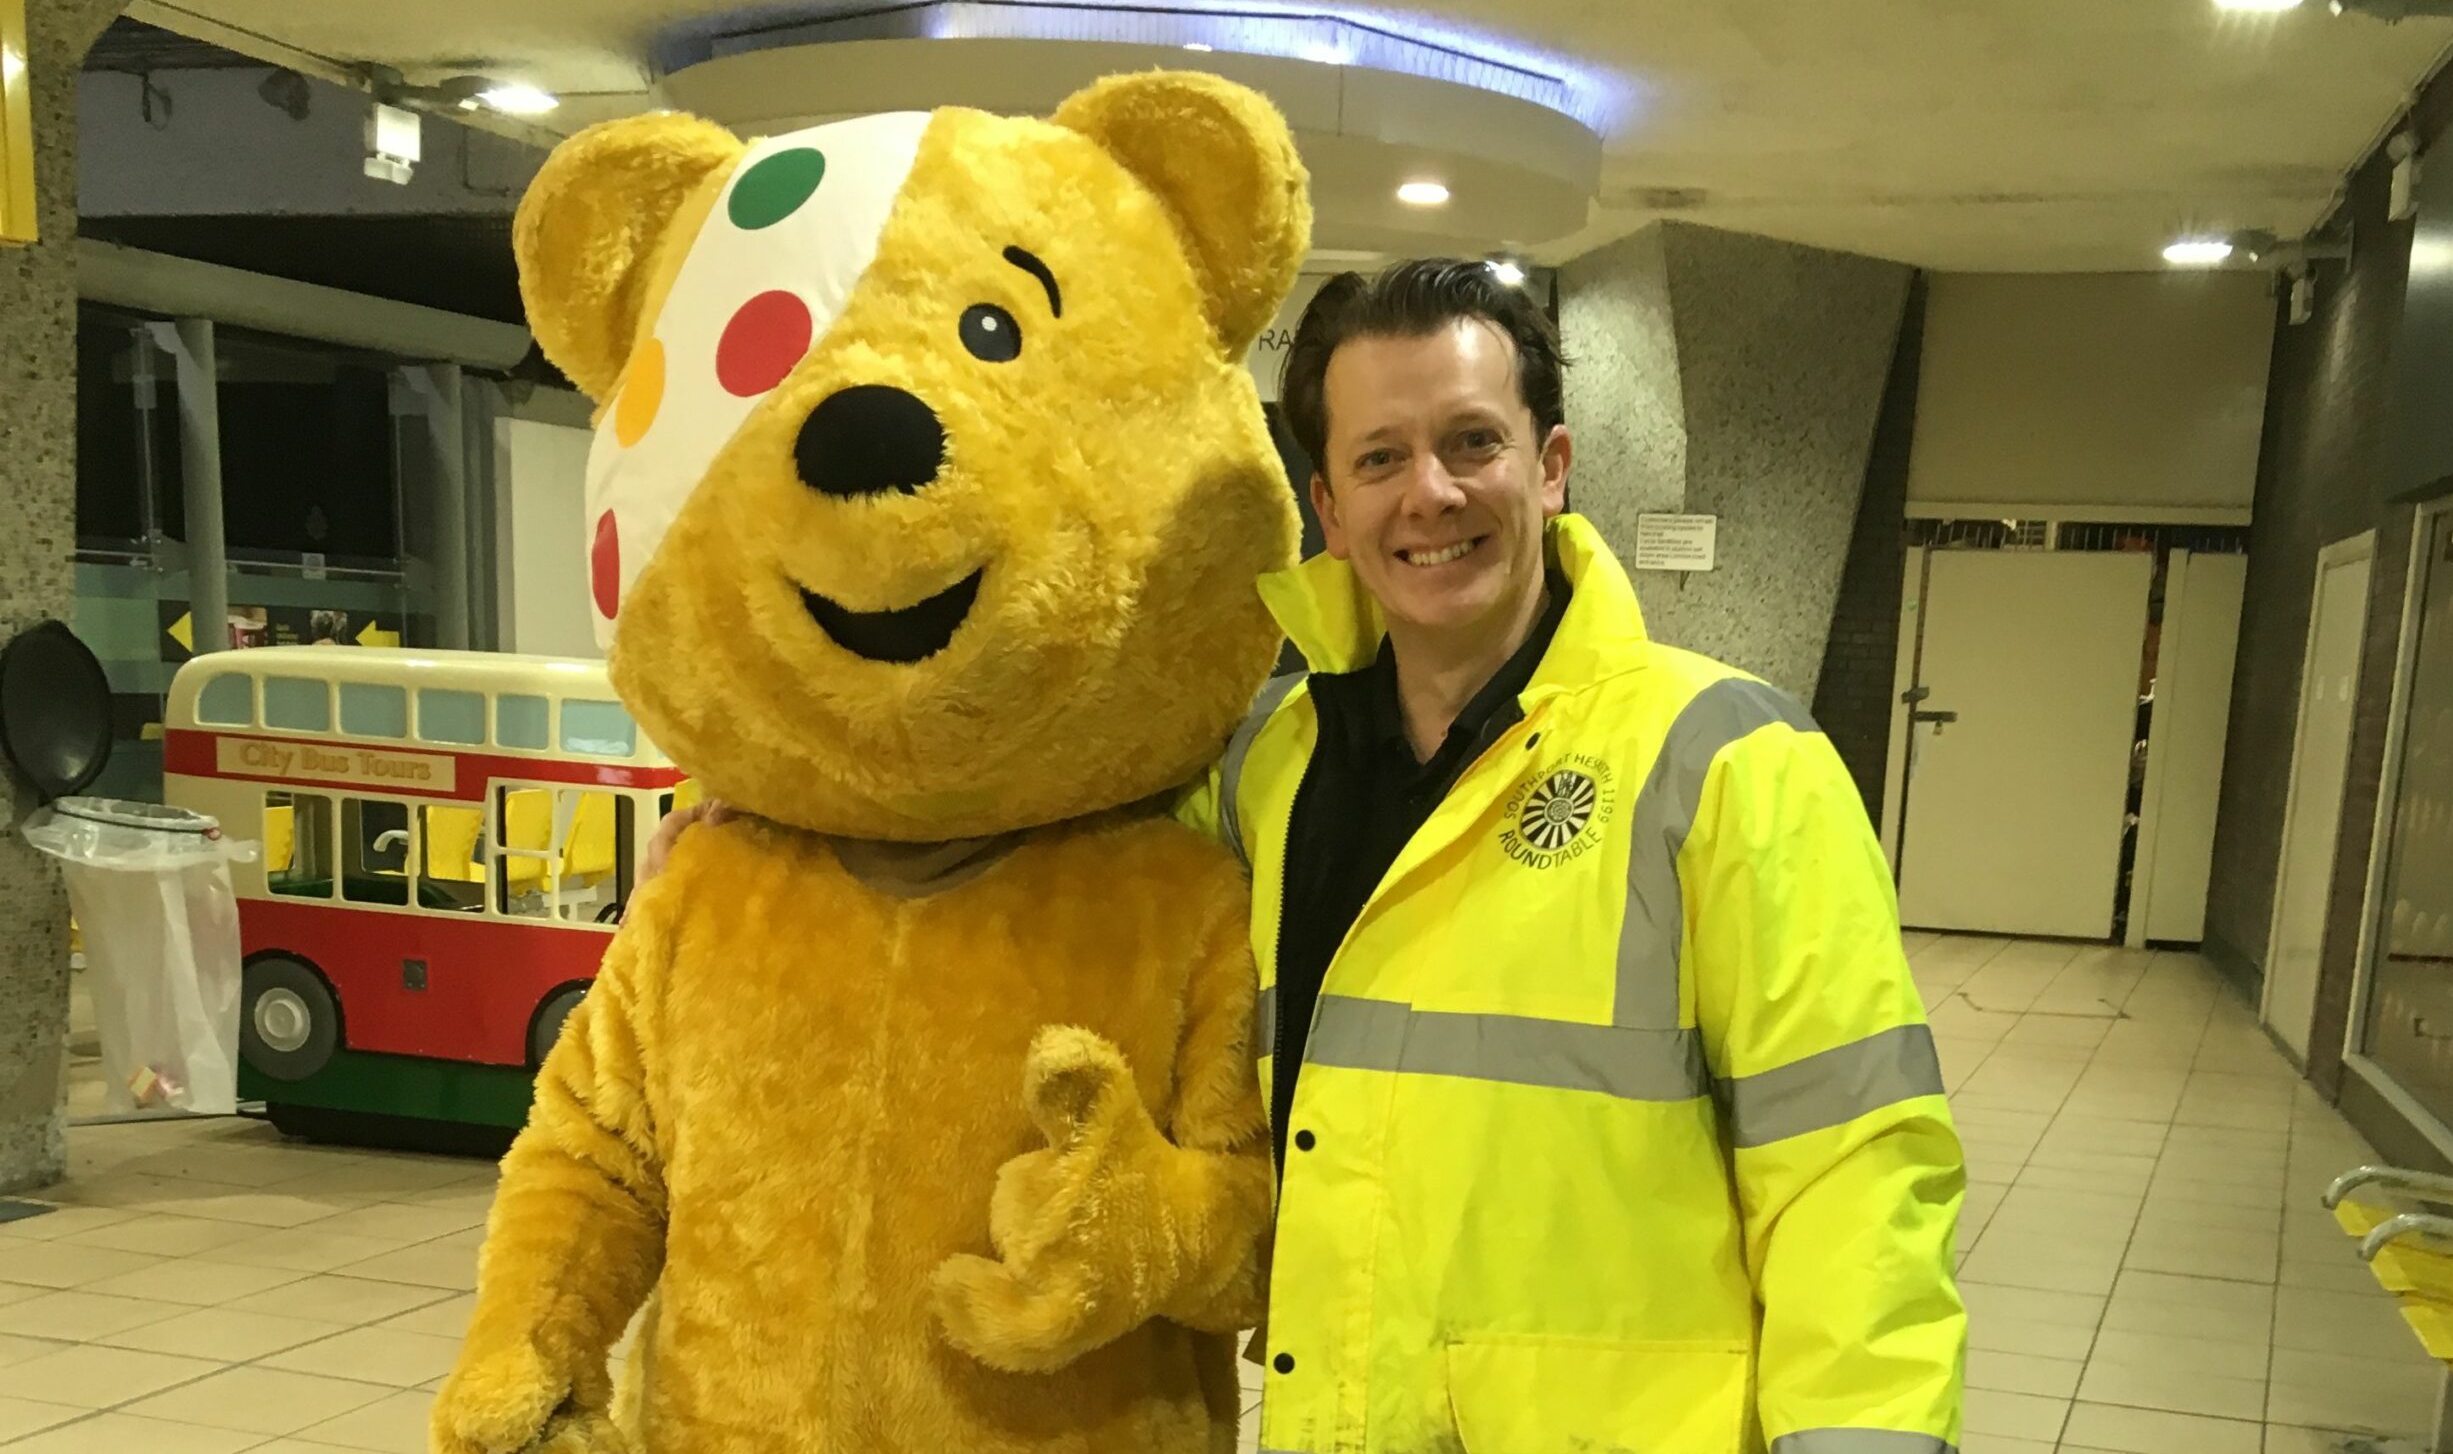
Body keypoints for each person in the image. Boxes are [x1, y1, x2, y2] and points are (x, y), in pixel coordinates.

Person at [645, 258, 1967, 1453]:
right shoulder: (1263, 767)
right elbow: (1021, 835)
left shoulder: (1731, 765)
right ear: (1328, 505)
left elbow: (1856, 1171)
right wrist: (775, 822)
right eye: (1381, 458)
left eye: (1472, 444)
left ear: (1552, 465)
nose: (1431, 495)